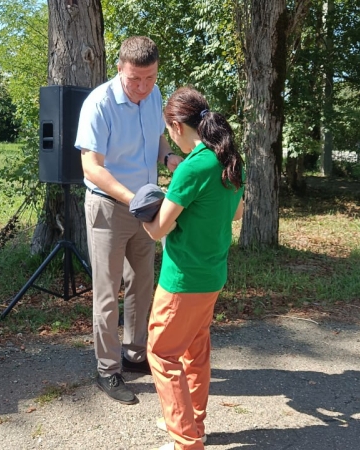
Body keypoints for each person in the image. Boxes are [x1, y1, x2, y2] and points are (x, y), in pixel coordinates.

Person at [75, 36, 183, 405]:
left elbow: (158, 140)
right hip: (108, 205)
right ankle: (107, 369)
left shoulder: (154, 96)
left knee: (142, 282)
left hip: (147, 204)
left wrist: (168, 158)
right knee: (107, 291)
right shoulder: (99, 104)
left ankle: (136, 354)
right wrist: (134, 197)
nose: (142, 87)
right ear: (120, 68)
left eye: (150, 78)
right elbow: (91, 166)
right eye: (135, 79)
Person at [142, 87, 244, 450]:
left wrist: (143, 212)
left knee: (162, 352)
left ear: (175, 125)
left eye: (169, 131)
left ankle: (186, 441)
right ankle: (191, 421)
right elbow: (237, 212)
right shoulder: (227, 159)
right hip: (212, 276)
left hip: (182, 280)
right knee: (194, 350)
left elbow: (158, 230)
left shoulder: (192, 167)